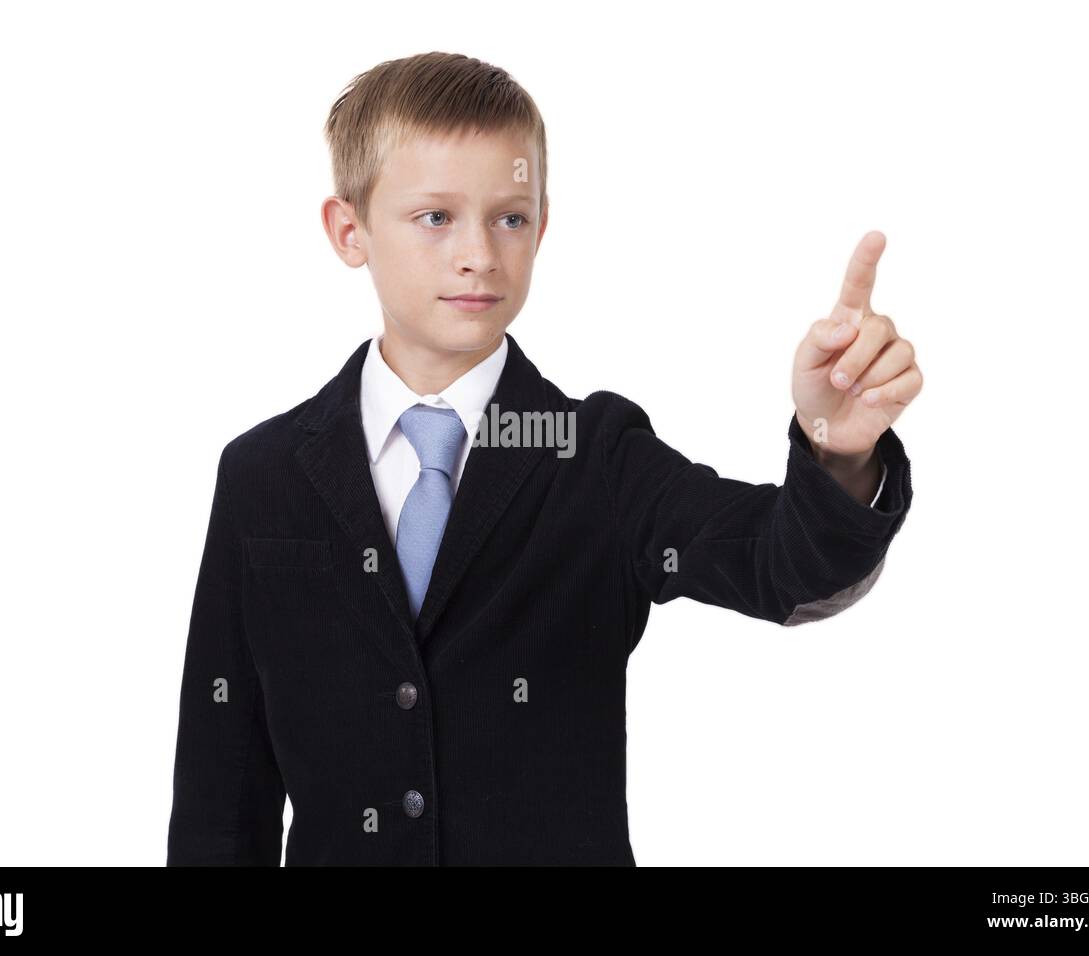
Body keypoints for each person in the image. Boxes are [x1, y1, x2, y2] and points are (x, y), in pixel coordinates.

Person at [166, 51, 921, 866]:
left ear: (542, 226)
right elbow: (221, 799)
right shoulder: (263, 476)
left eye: (510, 217)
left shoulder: (593, 457)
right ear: (350, 230)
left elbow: (781, 565)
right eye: (435, 218)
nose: (479, 255)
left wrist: (837, 451)